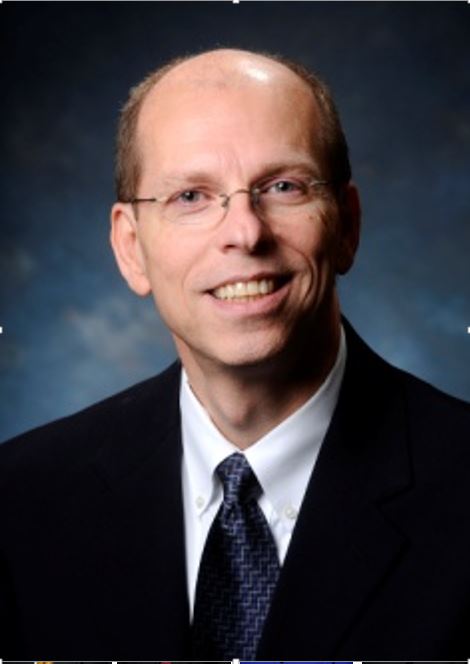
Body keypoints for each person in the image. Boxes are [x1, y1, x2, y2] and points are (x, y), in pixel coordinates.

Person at [0, 48, 469, 660]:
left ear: (346, 225)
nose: (245, 233)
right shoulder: (19, 501)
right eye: (190, 196)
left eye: (283, 187)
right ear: (131, 248)